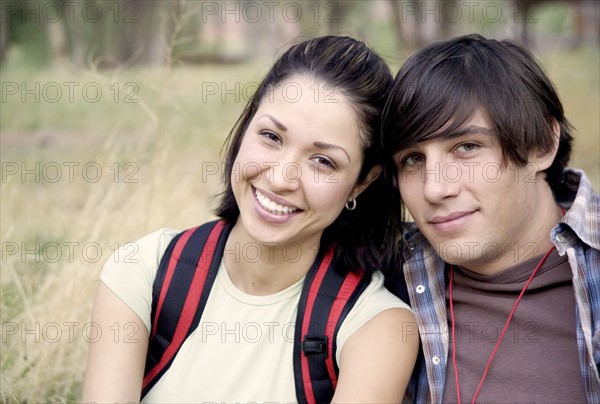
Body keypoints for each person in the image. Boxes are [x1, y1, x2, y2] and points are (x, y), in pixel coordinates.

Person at [82, 35, 418, 403]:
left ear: (361, 183)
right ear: (245, 128)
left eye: (323, 161)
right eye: (271, 136)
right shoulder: (143, 271)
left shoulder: (376, 329)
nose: (279, 178)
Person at [381, 34, 599, 403]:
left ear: (542, 144)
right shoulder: (381, 275)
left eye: (466, 147)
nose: (435, 189)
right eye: (413, 159)